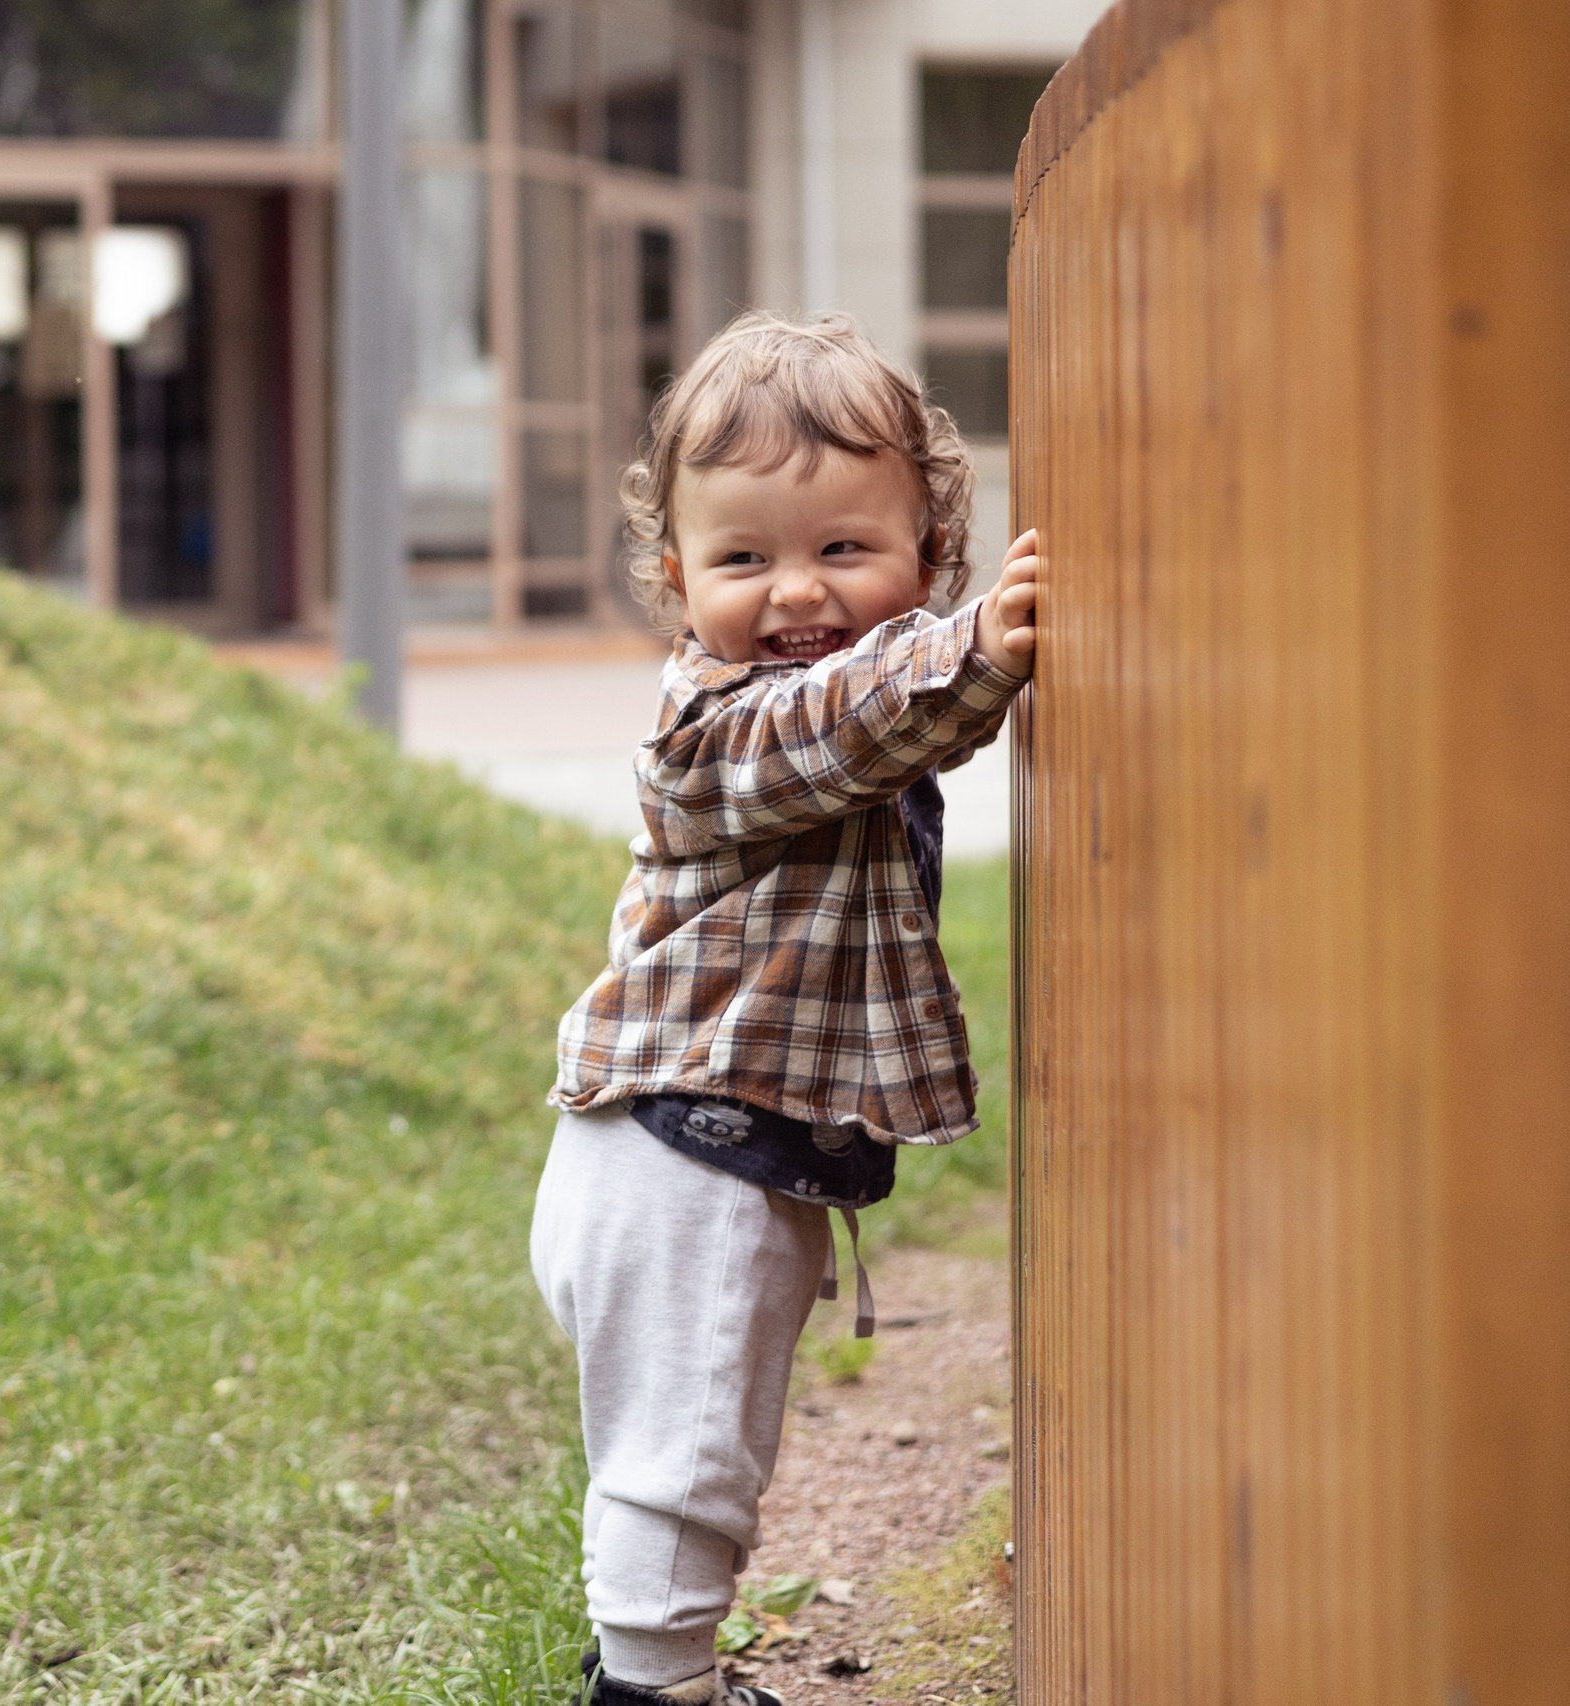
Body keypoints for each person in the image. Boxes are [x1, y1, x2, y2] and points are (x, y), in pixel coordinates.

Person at [529, 311, 1041, 1706]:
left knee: (687, 1435)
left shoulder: (871, 690)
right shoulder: (712, 729)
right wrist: (975, 645)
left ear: (927, 557)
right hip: (680, 1158)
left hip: (700, 1143)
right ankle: (649, 1685)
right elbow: (838, 729)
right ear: (677, 573)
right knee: (687, 1455)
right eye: (744, 557)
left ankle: (650, 1656)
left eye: (841, 548)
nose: (795, 590)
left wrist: (971, 659)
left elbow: (900, 716)